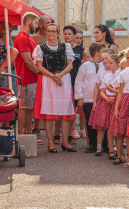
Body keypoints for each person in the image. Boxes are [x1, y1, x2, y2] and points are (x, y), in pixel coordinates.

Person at [33, 23, 76, 153]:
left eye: (53, 31)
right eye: (48, 31)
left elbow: (70, 65)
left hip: (63, 80)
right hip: (48, 81)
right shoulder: (40, 48)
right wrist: (54, 77)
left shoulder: (66, 47)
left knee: (65, 112)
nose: (51, 33)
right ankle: (51, 143)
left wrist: (60, 76)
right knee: (49, 114)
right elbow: (39, 67)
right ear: (46, 33)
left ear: (58, 34)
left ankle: (64, 142)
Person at [54, 25, 84, 143]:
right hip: (61, 81)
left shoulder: (80, 50)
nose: (66, 36)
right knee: (59, 108)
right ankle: (57, 133)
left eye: (69, 34)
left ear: (74, 36)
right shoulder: (59, 48)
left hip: (75, 81)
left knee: (72, 108)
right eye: (65, 34)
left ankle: (70, 133)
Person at [75, 42, 105, 153]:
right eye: (102, 51)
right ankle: (92, 144)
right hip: (88, 98)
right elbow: (79, 81)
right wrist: (79, 97)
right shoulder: (85, 66)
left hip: (102, 99)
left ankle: (103, 144)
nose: (104, 53)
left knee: (102, 122)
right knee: (90, 122)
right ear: (97, 52)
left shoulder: (104, 65)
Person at [14, 12, 40, 134]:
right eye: (35, 23)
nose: (37, 26)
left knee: (29, 108)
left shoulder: (30, 38)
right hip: (25, 78)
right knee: (24, 108)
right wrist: (39, 74)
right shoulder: (22, 38)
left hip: (31, 78)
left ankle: (28, 134)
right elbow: (28, 61)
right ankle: (20, 135)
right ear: (28, 22)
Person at [87, 49, 113, 152]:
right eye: (102, 59)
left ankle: (111, 146)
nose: (105, 61)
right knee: (101, 125)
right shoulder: (101, 72)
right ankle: (98, 147)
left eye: (107, 58)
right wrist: (94, 102)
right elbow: (97, 87)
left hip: (113, 98)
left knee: (111, 124)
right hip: (102, 99)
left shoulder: (117, 71)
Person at [94, 54, 120, 156]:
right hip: (107, 102)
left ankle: (115, 148)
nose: (108, 64)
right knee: (103, 125)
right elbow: (102, 91)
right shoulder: (106, 76)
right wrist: (107, 99)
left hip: (116, 102)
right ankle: (101, 147)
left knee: (113, 127)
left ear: (117, 64)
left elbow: (121, 91)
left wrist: (114, 99)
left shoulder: (120, 75)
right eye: (107, 62)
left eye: (110, 63)